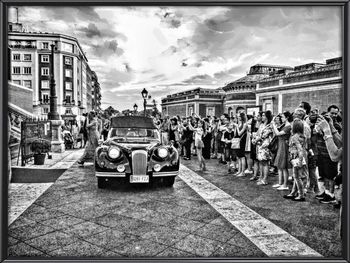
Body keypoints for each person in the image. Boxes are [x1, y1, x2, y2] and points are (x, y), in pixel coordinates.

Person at [283, 119, 308, 202]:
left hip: (296, 158)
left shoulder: (294, 137)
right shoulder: (303, 136)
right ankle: (293, 192)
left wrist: (300, 161)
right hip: (301, 157)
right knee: (297, 176)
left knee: (297, 177)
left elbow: (299, 149)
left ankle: (301, 195)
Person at [271, 111, 292, 190]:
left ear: (286, 118)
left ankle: (285, 185)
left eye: (282, 117)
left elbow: (278, 134)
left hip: (284, 146)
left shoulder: (288, 126)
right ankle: (280, 183)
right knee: (280, 165)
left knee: (283, 166)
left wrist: (274, 125)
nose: (281, 119)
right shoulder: (285, 125)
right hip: (280, 145)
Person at [255, 111, 273, 186]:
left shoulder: (269, 125)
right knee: (261, 162)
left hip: (265, 145)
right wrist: (255, 138)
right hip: (260, 144)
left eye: (263, 116)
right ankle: (261, 177)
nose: (262, 117)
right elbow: (257, 133)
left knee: (265, 162)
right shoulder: (261, 125)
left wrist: (257, 139)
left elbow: (264, 135)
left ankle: (265, 179)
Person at [234, 112, 248, 177]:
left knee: (242, 157)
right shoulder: (239, 124)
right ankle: (239, 170)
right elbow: (235, 134)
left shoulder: (245, 124)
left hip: (242, 141)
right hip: (237, 141)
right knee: (238, 156)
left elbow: (240, 133)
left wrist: (236, 127)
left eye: (239, 116)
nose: (238, 117)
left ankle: (243, 172)